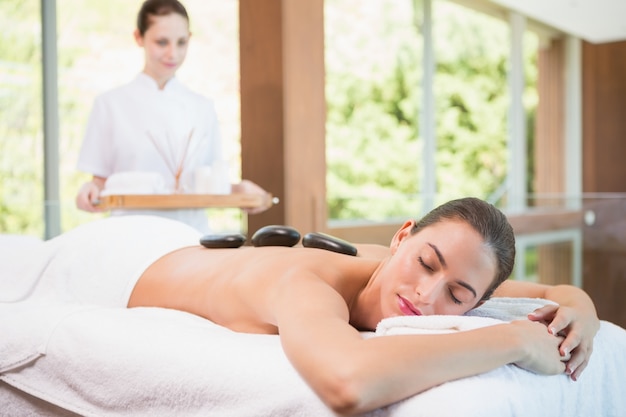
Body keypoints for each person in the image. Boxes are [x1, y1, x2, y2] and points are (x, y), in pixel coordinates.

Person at [30, 197, 599, 415]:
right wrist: (514, 340)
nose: (428, 295)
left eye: (459, 295)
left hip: (184, 246)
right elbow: (349, 383)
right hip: (114, 260)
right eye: (427, 263)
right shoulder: (307, 284)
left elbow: (554, 294)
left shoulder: (413, 270)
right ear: (402, 235)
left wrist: (583, 309)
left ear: (480, 300)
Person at [75, 0, 269, 233]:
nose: (172, 53)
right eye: (161, 42)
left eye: (181, 42)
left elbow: (208, 182)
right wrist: (89, 189)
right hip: (128, 235)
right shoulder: (110, 105)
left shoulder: (202, 107)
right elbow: (101, 181)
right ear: (139, 37)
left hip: (190, 235)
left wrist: (239, 191)